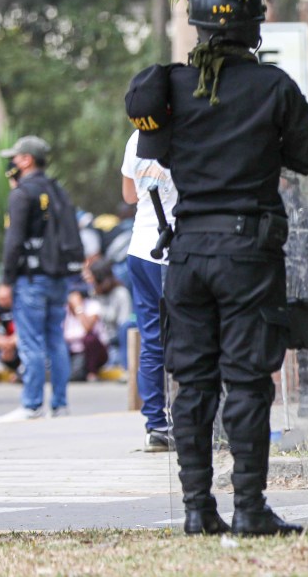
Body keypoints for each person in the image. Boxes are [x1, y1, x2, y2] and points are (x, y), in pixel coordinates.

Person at [126, 0, 308, 536]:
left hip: (186, 254)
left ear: (196, 25)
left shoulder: (171, 88)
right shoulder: (274, 87)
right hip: (248, 255)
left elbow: (159, 153)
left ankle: (196, 509)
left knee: (191, 386)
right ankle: (249, 509)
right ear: (255, 25)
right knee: (245, 383)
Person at [0, 136, 72, 422]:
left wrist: (6, 281)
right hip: (58, 276)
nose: (12, 163)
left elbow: (14, 241)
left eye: (15, 158)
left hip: (30, 278)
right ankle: (61, 404)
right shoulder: (57, 190)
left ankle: (31, 404)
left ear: (27, 159)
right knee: (56, 339)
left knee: (31, 341)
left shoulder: (22, 193)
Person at [121, 129, 177, 451]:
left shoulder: (135, 138)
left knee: (152, 339)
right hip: (171, 252)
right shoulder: (186, 131)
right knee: (190, 335)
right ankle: (198, 419)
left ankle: (155, 424)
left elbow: (129, 195)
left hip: (140, 249)